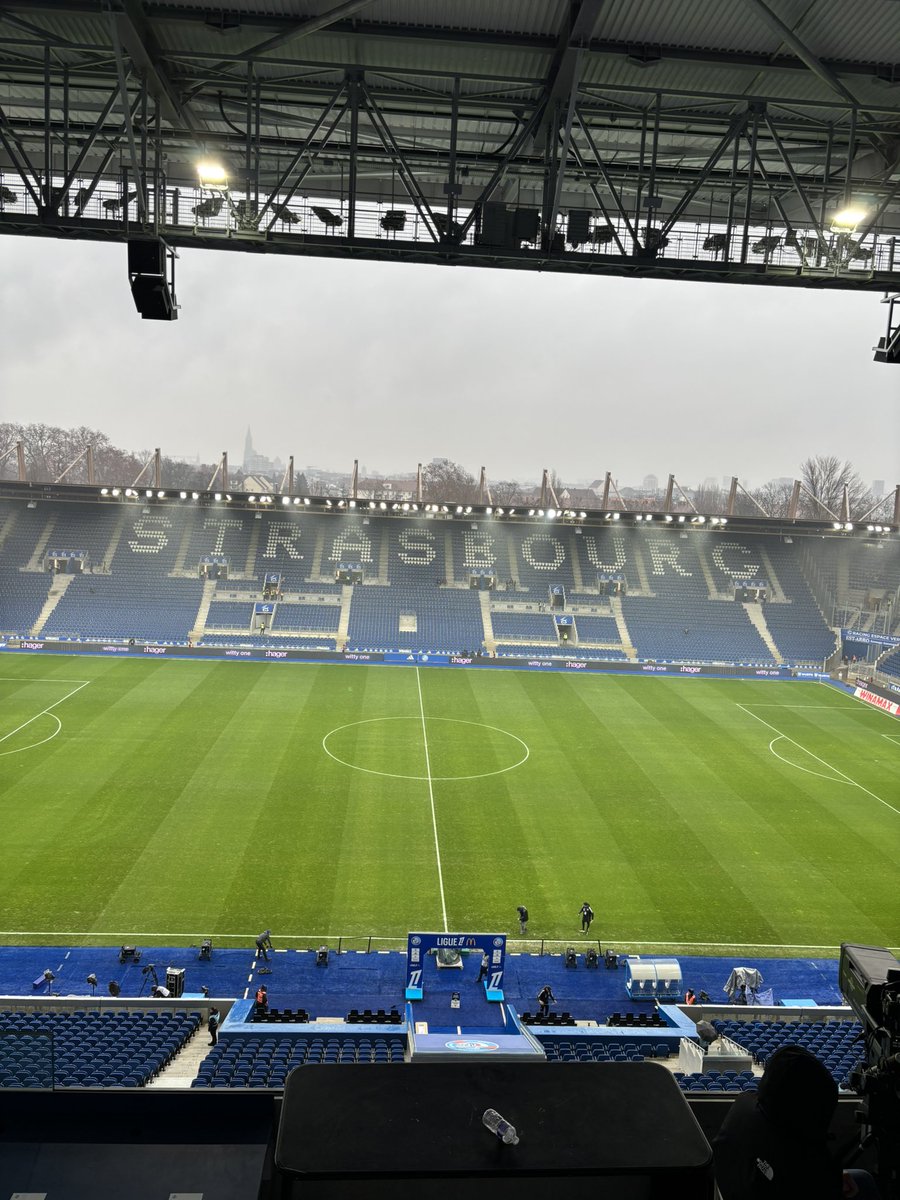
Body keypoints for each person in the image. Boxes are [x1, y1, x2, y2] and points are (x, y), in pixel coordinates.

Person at [713, 1044, 880, 1199]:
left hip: (739, 1184)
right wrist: (831, 1183)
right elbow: (805, 1179)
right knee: (863, 1181)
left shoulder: (744, 1103)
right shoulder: (797, 1161)